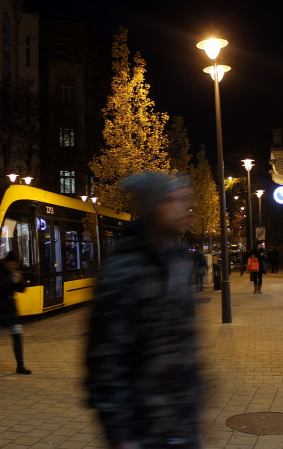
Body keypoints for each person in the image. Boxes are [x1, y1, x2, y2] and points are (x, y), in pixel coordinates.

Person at [86, 172, 201, 448]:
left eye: (185, 199)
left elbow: (186, 344)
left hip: (178, 425)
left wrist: (196, 409)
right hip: (141, 428)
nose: (183, 207)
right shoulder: (122, 270)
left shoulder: (174, 261)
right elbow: (105, 360)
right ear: (154, 208)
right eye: (173, 199)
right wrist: (121, 435)